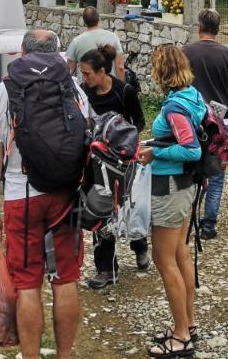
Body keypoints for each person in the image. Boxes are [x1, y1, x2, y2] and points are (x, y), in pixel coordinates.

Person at [0, 30, 88, 359]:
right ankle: (65, 355)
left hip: (21, 196)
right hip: (66, 194)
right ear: (56, 52)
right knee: (65, 278)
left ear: (22, 53)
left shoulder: (1, 93)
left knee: (27, 282)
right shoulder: (74, 88)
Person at [139, 44, 207, 359]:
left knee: (164, 260)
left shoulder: (174, 107)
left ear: (161, 72)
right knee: (180, 254)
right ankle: (188, 322)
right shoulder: (191, 95)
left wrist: (155, 152)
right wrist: (157, 142)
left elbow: (190, 149)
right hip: (184, 186)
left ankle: (181, 336)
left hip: (169, 187)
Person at [78, 43, 149, 288]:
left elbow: (138, 121)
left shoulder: (124, 91)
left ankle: (139, 246)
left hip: (123, 163)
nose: (83, 78)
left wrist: (122, 141)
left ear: (101, 72)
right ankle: (106, 270)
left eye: (87, 74)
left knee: (129, 208)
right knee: (101, 212)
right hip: (95, 164)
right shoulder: (82, 94)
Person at [182, 8, 228, 239]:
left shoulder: (186, 52)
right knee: (217, 174)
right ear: (218, 29)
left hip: (191, 119)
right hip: (220, 120)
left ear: (199, 27)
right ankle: (209, 225)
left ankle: (186, 221)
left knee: (189, 171)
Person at [66, 7, 123, 77]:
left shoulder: (76, 41)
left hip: (86, 85)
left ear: (84, 22)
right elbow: (120, 67)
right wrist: (120, 85)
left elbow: (70, 69)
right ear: (99, 19)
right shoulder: (113, 37)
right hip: (109, 84)